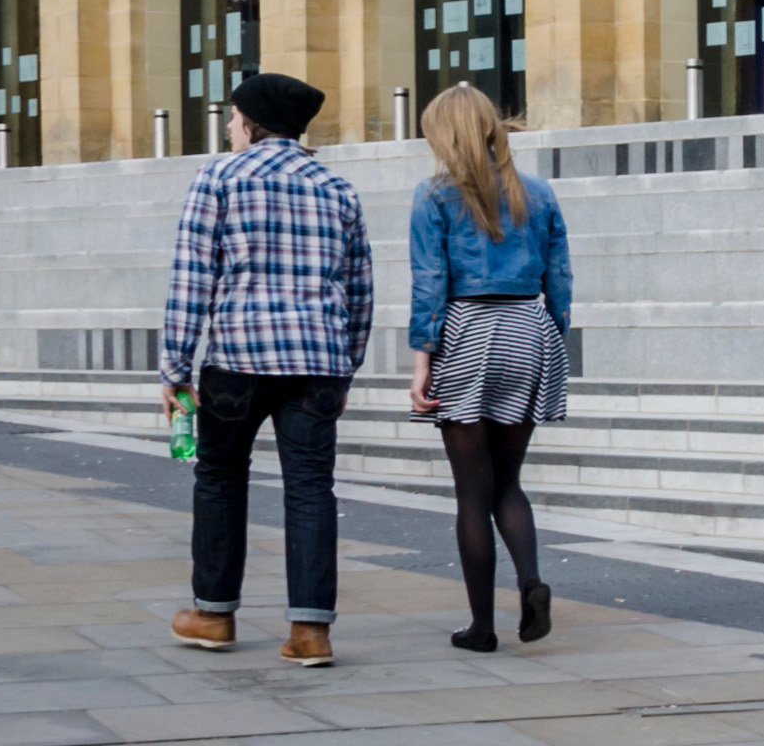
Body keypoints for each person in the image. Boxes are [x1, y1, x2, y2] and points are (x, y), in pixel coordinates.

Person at [159, 71, 373, 670]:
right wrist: (346, 368)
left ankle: (214, 613)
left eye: (232, 117)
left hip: (238, 357)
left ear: (251, 123)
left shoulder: (220, 178)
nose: (229, 127)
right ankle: (311, 631)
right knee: (310, 489)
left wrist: (175, 370)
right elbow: (359, 288)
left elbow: (191, 276)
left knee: (221, 477)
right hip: (318, 362)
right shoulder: (337, 188)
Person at [408, 82, 571, 653]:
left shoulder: (434, 197)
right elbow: (561, 279)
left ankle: (481, 627)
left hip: (468, 331)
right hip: (529, 328)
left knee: (471, 494)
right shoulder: (539, 193)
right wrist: (552, 339)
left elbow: (430, 284)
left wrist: (421, 361)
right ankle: (531, 581)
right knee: (510, 483)